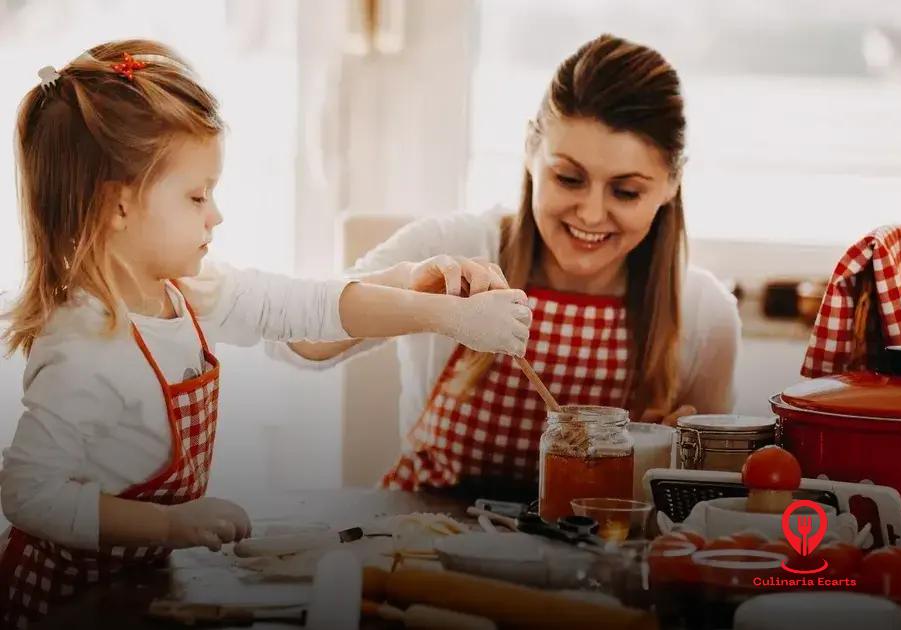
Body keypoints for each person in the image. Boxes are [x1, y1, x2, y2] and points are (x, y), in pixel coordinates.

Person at [0, 39, 530, 627]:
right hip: (67, 604)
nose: (216, 214)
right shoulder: (82, 347)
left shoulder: (191, 294)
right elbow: (28, 495)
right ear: (117, 206)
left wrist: (419, 297)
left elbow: (308, 308)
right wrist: (171, 525)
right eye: (197, 195)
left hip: (142, 581)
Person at [284, 34, 741, 499]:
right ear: (530, 150)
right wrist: (408, 291)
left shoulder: (704, 313)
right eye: (568, 178)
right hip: (425, 548)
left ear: (671, 183)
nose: (589, 213)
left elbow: (701, 511)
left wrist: (678, 461)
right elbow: (297, 337)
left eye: (626, 192)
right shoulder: (454, 245)